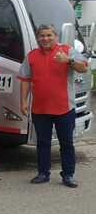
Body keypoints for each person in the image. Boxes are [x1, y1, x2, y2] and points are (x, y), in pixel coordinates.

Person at [19, 24, 88, 188]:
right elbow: (25, 80)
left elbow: (84, 68)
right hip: (40, 109)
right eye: (42, 36)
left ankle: (68, 175)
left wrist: (68, 60)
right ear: (38, 38)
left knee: (66, 143)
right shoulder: (31, 56)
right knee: (42, 143)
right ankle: (43, 173)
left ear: (55, 36)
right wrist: (23, 101)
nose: (45, 38)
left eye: (49, 35)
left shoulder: (66, 50)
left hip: (64, 108)